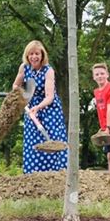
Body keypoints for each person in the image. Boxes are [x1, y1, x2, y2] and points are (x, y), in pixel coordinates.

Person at [12, 40, 68, 174]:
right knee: (33, 139)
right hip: (30, 107)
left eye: (37, 53)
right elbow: (15, 86)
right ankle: (33, 173)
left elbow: (50, 97)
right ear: (27, 55)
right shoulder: (24, 68)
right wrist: (22, 97)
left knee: (52, 137)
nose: (34, 57)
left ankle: (57, 173)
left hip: (49, 110)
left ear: (42, 55)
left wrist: (37, 107)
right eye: (31, 54)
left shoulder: (48, 71)